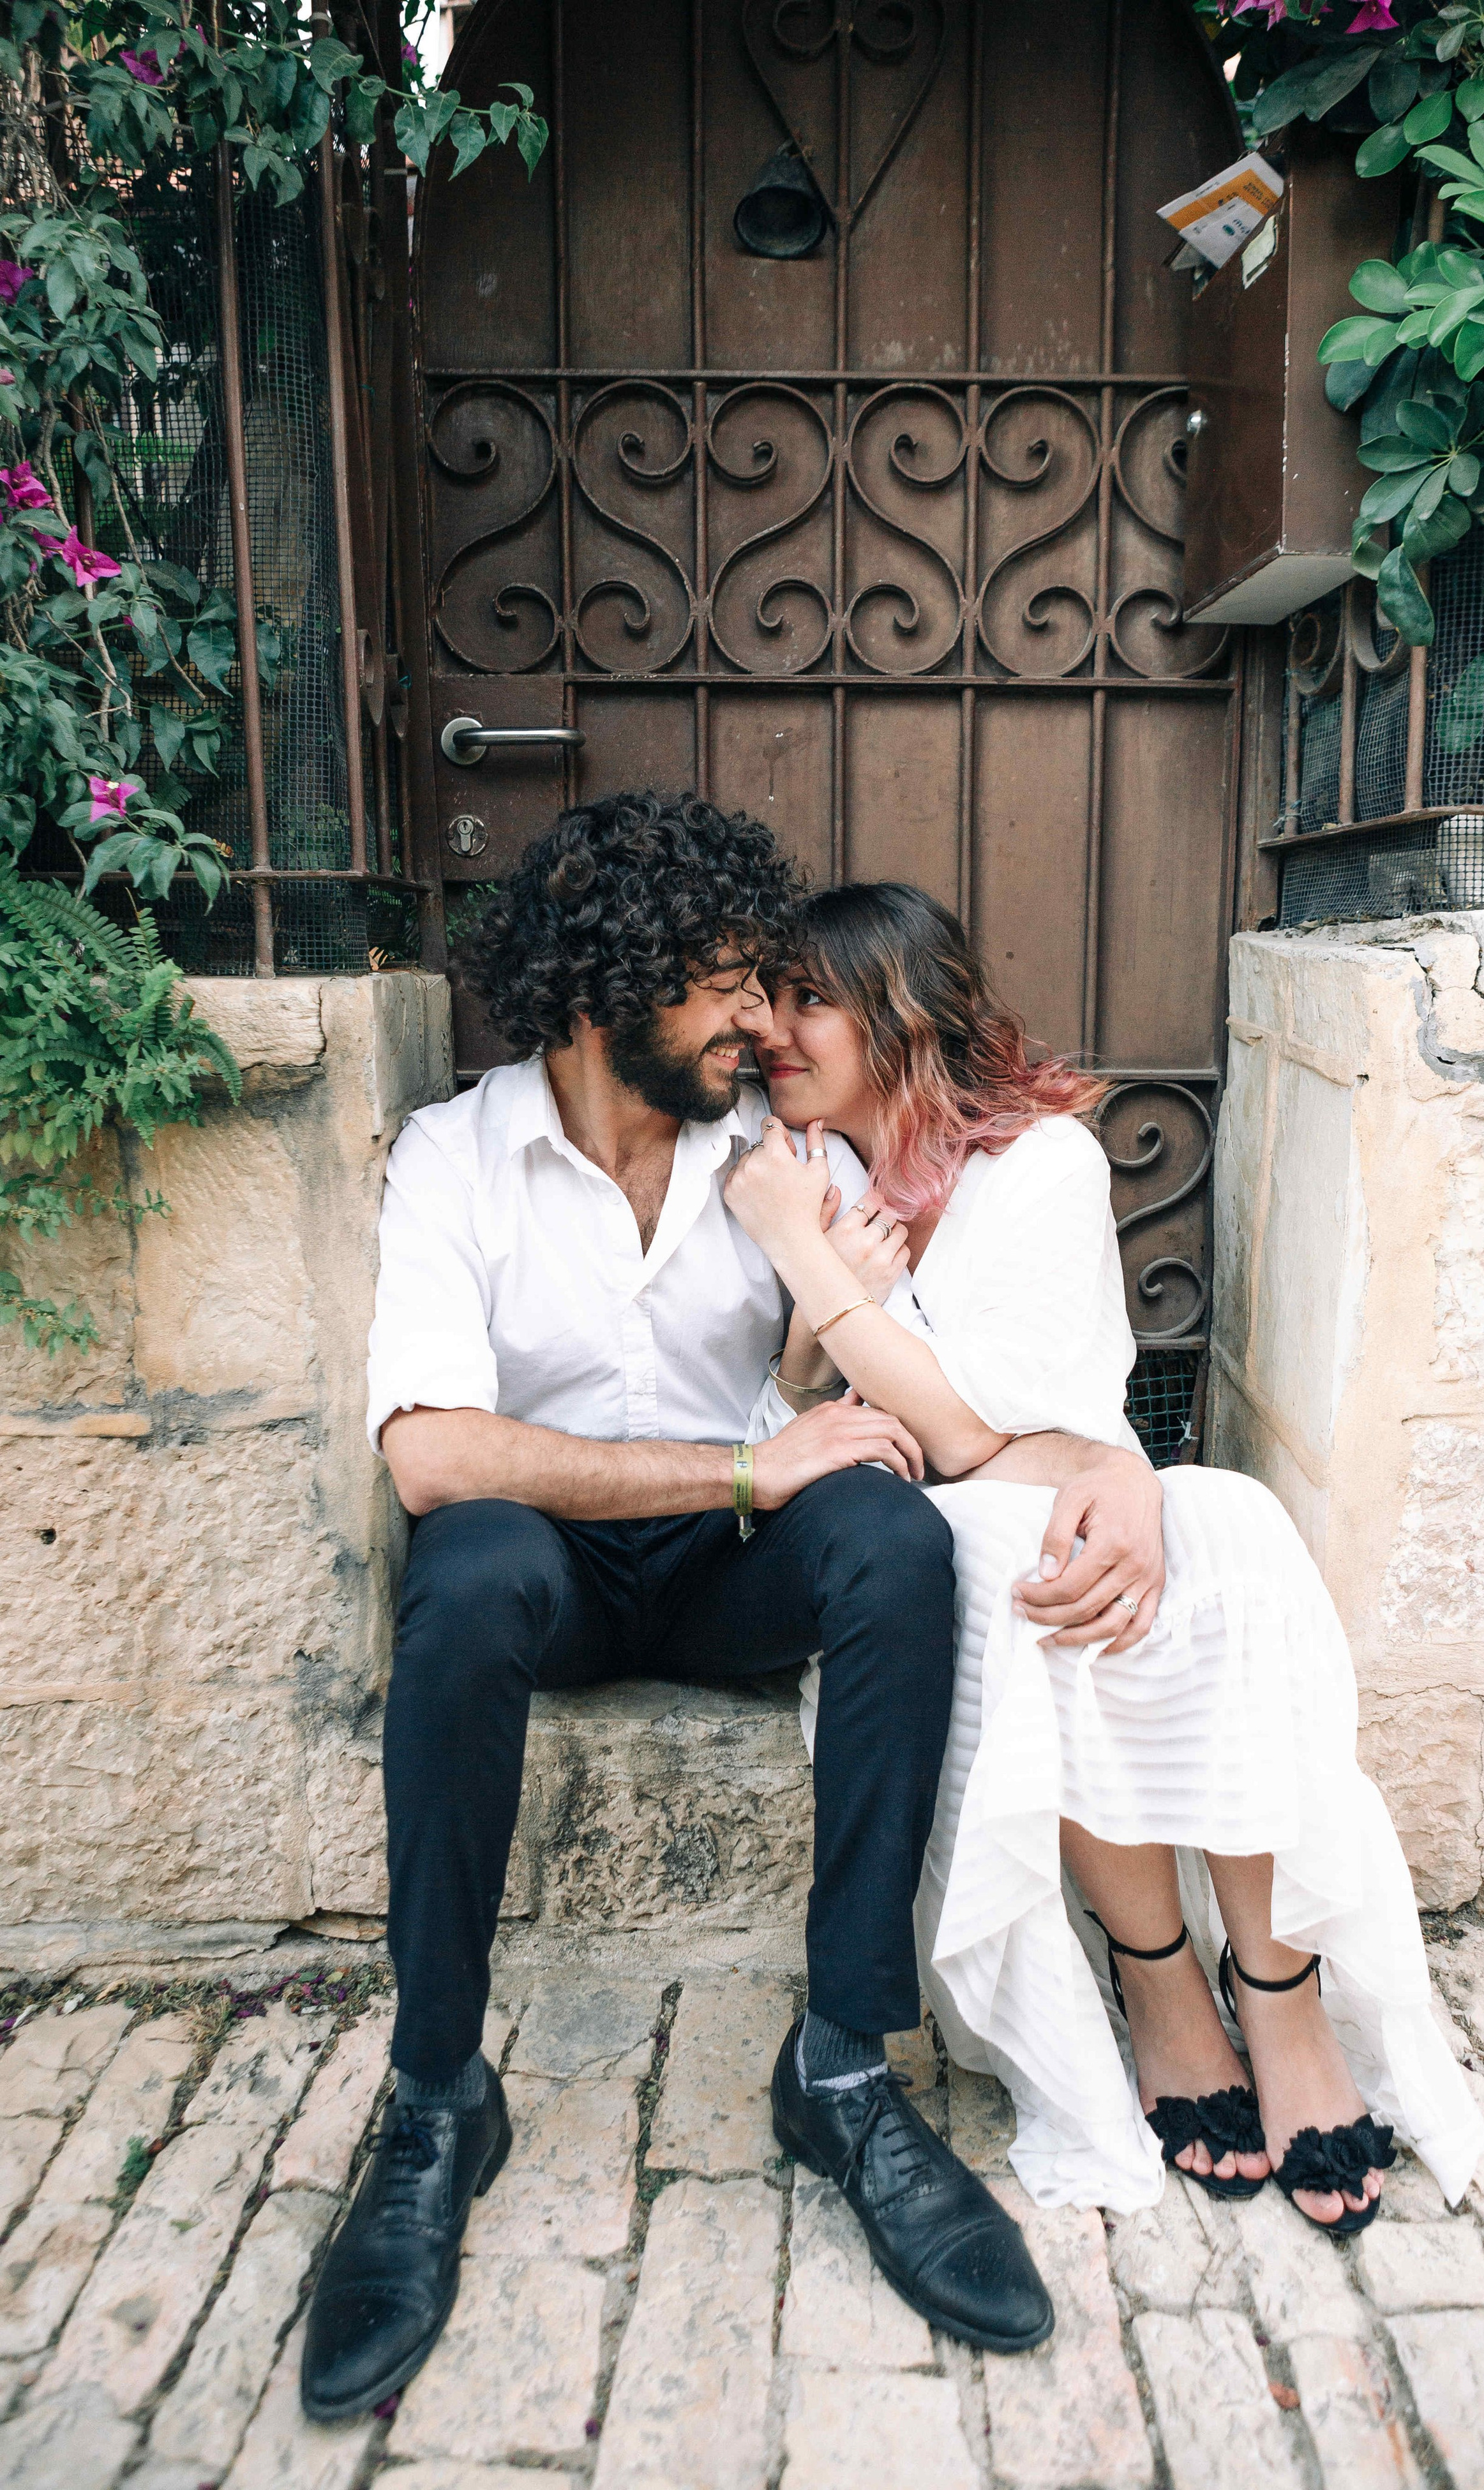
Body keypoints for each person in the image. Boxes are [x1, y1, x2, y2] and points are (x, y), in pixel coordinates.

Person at [299, 800, 1053, 2427]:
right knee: (476, 1560)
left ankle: (841, 2064)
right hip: (561, 1580)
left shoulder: (781, 1163)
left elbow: (893, 1403)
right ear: (597, 990)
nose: (759, 1022)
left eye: (762, 982)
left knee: (890, 1539)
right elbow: (430, 1450)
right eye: (719, 984)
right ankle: (436, 2095)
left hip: (728, 1581)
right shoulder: (455, 1157)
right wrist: (740, 1461)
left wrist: (807, 1379)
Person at [724, 880, 1484, 2235]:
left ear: (900, 1011)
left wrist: (1112, 1467)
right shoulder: (815, 1181)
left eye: (807, 999)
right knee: (1042, 1575)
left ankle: (1279, 1995)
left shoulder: (1042, 1165)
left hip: (1044, 1481)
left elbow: (975, 1418)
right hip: (942, 1538)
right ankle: (1158, 1982)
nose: (773, 1030)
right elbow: (875, 1434)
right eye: (769, 1001)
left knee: (1233, 1535)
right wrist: (809, 1285)